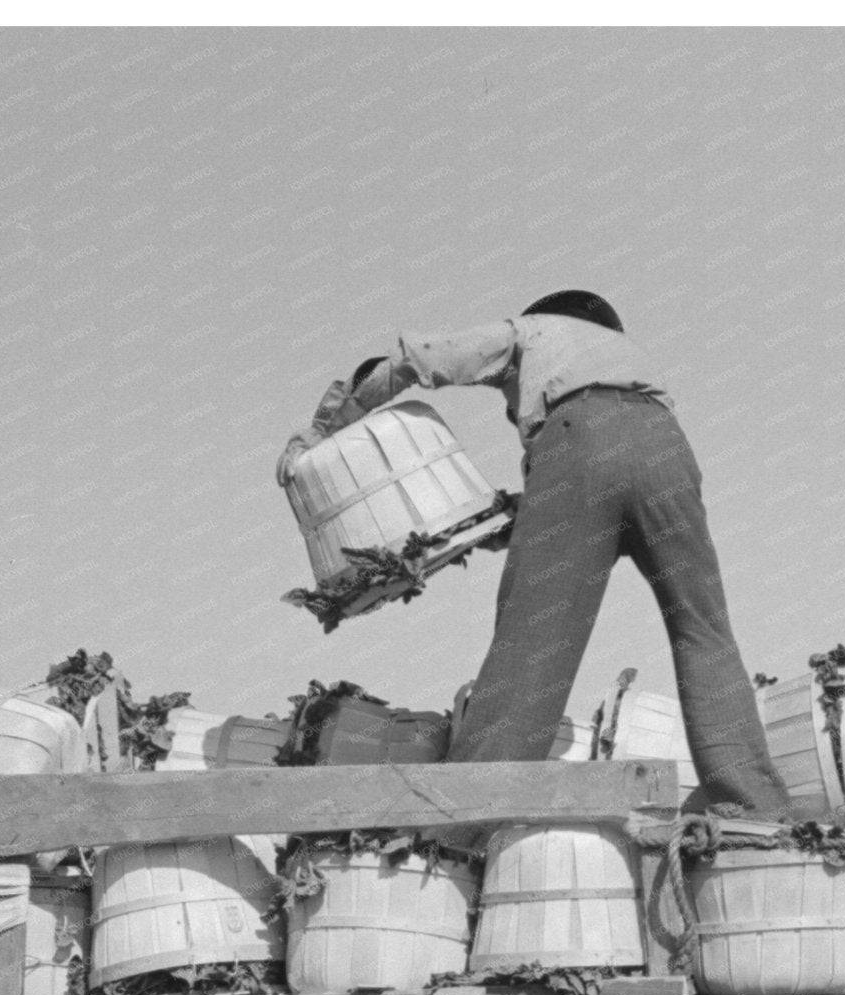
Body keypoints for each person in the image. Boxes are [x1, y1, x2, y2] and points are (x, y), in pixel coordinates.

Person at [285, 290, 791, 814]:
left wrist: (327, 423)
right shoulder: (628, 360)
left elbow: (425, 358)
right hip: (668, 452)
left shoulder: (533, 330)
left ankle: (473, 813)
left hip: (577, 443)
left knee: (533, 641)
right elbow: (614, 483)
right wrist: (510, 516)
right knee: (702, 628)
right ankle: (750, 801)